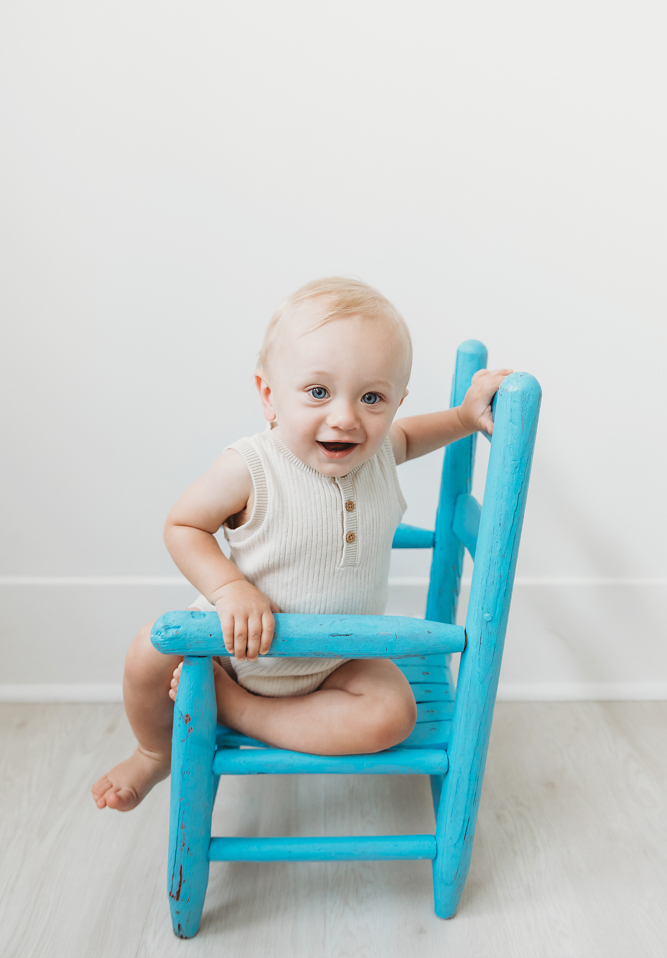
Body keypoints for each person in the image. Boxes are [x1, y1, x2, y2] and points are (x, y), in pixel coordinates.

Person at [92, 277, 510, 811]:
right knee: (148, 651)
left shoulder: (380, 451)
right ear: (269, 395)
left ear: (396, 403)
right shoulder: (252, 465)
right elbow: (184, 525)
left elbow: (411, 435)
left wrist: (461, 418)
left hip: (339, 659)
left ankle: (238, 711)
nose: (344, 417)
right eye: (318, 392)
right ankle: (154, 752)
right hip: (238, 649)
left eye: (372, 397)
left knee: (393, 713)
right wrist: (229, 590)